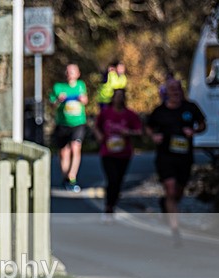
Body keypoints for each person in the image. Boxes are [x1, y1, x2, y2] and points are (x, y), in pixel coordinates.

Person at [145, 79, 206, 247]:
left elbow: (203, 124)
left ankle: (166, 203)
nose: (175, 92)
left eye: (178, 89)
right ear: (167, 92)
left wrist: (193, 131)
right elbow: (149, 127)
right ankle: (175, 230)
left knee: (178, 192)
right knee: (170, 188)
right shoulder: (160, 111)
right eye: (172, 89)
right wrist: (154, 136)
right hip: (165, 156)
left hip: (184, 157)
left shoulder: (190, 108)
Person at [93, 88, 143, 222]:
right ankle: (108, 208)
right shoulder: (106, 113)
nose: (119, 99)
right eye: (117, 96)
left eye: (121, 96)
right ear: (112, 98)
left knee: (118, 181)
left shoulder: (130, 114)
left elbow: (139, 131)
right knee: (112, 179)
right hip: (107, 152)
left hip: (124, 153)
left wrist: (128, 132)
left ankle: (112, 205)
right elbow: (96, 126)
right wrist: (100, 136)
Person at [50, 63, 88, 192]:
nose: (69, 74)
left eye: (72, 71)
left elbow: (85, 100)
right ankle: (66, 177)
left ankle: (72, 176)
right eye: (67, 71)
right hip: (62, 123)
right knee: (64, 152)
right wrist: (59, 100)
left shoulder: (81, 86)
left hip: (78, 123)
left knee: (75, 147)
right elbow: (52, 104)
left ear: (78, 74)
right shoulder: (59, 87)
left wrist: (82, 99)